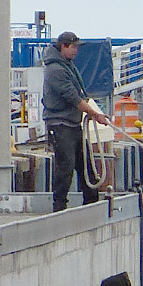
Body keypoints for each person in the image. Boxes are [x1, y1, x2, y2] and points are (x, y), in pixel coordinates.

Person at [41, 32, 107, 211]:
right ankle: (59, 206)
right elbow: (72, 97)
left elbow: (76, 95)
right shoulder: (56, 70)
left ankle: (92, 202)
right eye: (74, 46)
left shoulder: (66, 66)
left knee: (85, 163)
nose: (76, 50)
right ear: (64, 46)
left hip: (72, 123)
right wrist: (95, 114)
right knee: (66, 165)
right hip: (60, 123)